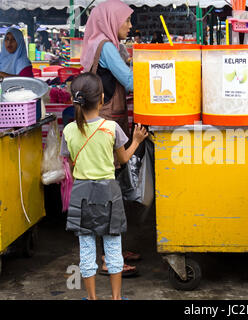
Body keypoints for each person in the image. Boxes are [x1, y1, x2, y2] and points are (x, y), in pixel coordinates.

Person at [61, 72, 148, 300]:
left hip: (81, 193)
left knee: (87, 250)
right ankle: (116, 298)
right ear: (102, 98)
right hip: (108, 193)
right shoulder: (110, 128)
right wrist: (137, 140)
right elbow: (122, 159)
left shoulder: (69, 131)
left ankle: (91, 298)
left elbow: (71, 162)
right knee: (113, 247)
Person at [81, 0, 139, 277]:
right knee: (109, 192)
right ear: (111, 20)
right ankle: (107, 258)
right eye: (126, 20)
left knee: (110, 191)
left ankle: (113, 249)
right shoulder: (105, 46)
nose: (130, 25)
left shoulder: (101, 44)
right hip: (107, 123)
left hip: (101, 122)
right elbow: (129, 81)